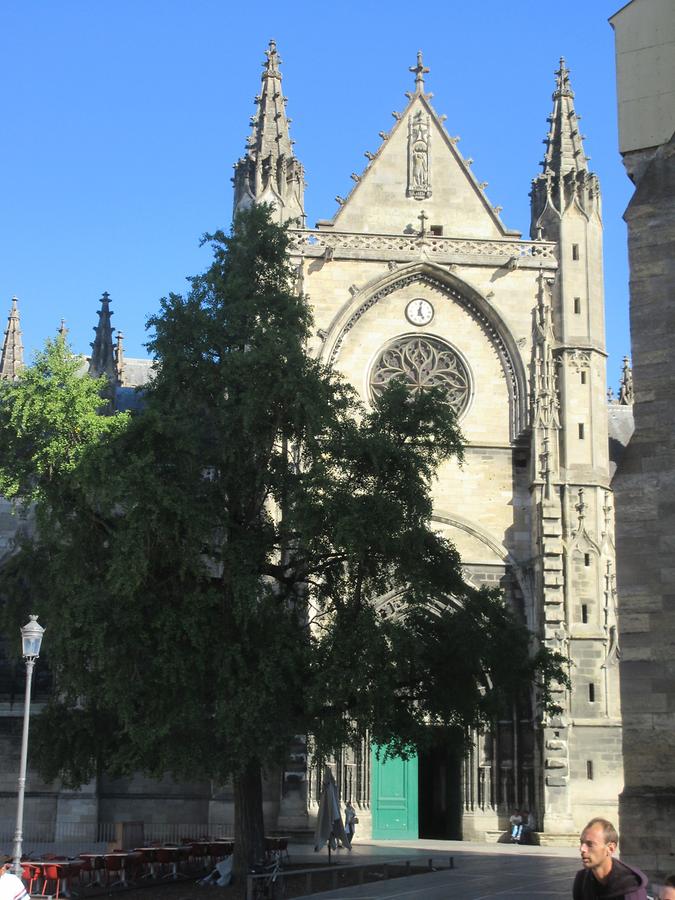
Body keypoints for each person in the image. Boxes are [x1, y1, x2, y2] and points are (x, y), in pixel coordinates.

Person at [573, 818, 648, 899]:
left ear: (610, 848)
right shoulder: (582, 879)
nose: (582, 849)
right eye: (582, 843)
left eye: (590, 844)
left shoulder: (630, 887)